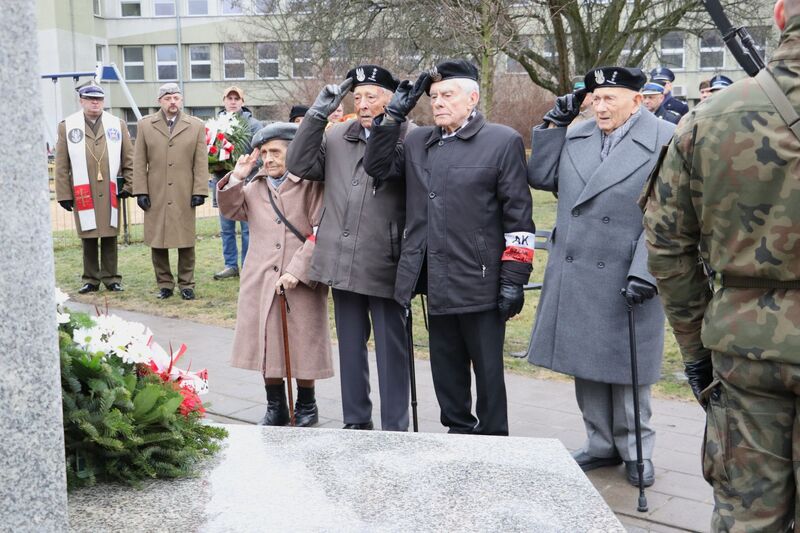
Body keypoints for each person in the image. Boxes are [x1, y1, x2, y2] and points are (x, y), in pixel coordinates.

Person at [642, 1, 800, 528]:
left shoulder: (707, 118)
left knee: (748, 517)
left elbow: (667, 247)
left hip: (744, 349)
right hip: (744, 349)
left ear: (779, 16)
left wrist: (695, 351)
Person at [364, 60, 535, 435]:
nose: (438, 102)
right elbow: (376, 167)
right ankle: (458, 431)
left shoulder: (501, 141)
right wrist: (392, 116)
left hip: (481, 279)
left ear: (472, 98)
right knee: (445, 365)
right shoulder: (417, 141)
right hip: (434, 277)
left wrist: (515, 277)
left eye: (448, 95)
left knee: (488, 368)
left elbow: (519, 218)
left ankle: (493, 437)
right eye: (435, 96)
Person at [526, 66, 674, 486]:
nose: (600, 105)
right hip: (577, 266)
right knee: (585, 362)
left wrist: (647, 270)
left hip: (629, 270)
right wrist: (553, 124)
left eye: (611, 98)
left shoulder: (666, 138)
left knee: (627, 369)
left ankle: (636, 449)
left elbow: (672, 211)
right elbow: (541, 177)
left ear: (638, 100)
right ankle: (599, 443)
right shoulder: (578, 133)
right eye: (595, 97)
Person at [286, 65, 412, 431]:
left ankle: (394, 426)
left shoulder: (410, 135)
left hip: (385, 259)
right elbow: (299, 163)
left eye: (372, 96)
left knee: (392, 351)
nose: (363, 104)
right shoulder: (339, 134)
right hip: (341, 256)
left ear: (391, 100)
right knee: (351, 344)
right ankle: (356, 420)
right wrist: (316, 114)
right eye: (357, 97)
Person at [217, 122, 332, 427]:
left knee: (303, 342)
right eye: (264, 153)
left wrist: (297, 270)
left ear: (292, 152)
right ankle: (275, 406)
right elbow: (230, 210)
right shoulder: (254, 186)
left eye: (275, 152)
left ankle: (307, 405)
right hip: (261, 278)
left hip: (301, 279)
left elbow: (322, 231)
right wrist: (237, 178)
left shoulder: (311, 185)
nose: (268, 159)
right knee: (267, 342)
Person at [55, 82, 133, 293]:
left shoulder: (117, 124)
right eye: (90, 99)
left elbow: (129, 158)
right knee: (88, 234)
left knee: (109, 233)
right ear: (81, 101)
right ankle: (90, 279)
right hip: (83, 188)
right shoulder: (67, 126)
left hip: (109, 189)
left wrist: (129, 184)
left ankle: (111, 278)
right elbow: (61, 163)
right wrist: (63, 193)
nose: (95, 103)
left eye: (98, 99)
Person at [133, 83, 209, 300]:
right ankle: (164, 284)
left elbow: (201, 161)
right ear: (160, 101)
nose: (172, 102)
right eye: (168, 98)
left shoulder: (195, 125)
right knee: (157, 239)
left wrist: (200, 190)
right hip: (155, 191)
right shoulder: (145, 125)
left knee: (186, 240)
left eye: (176, 97)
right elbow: (139, 161)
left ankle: (187, 284)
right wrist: (141, 191)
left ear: (181, 100)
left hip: (184, 191)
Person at [210, 86, 261, 281]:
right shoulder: (215, 124)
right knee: (226, 228)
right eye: (229, 98)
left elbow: (261, 153)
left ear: (242, 101)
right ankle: (230, 265)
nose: (233, 101)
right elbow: (207, 149)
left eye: (236, 98)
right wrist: (214, 163)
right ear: (223, 100)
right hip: (223, 182)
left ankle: (248, 264)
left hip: (248, 183)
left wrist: (247, 166)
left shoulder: (254, 125)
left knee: (247, 228)